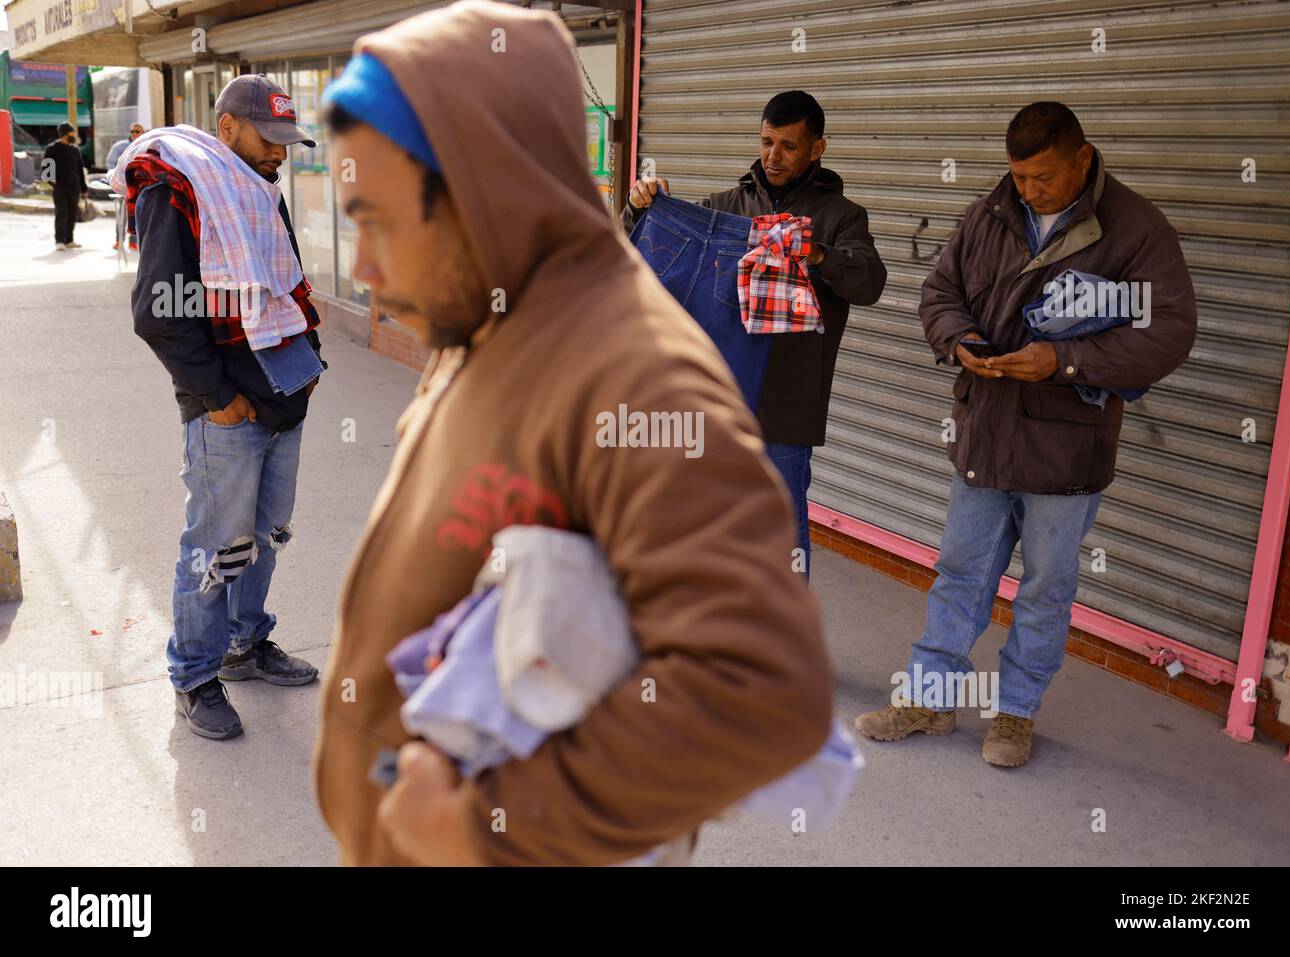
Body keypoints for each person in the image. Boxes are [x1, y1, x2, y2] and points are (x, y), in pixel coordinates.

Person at [312, 0, 832, 866]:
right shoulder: (484, 319)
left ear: (483, 190)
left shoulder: (636, 377)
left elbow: (760, 690)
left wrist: (490, 823)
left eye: (378, 221)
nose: (362, 268)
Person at [855, 102, 1197, 767]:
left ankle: (1015, 715)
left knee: (1044, 590)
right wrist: (961, 343)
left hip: (1066, 451)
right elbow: (939, 291)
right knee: (959, 572)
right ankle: (929, 697)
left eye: (1042, 178)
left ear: (1083, 157)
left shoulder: (1136, 229)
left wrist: (1065, 362)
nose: (1028, 191)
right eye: (1019, 177)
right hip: (985, 434)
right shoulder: (991, 212)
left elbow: (1168, 332)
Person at [122, 74, 326, 740]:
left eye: (288, 142)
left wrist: (309, 360)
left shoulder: (257, 190)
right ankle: (194, 676)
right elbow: (159, 314)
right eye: (270, 139)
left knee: (264, 539)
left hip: (283, 392)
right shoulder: (175, 189)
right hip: (228, 408)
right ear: (228, 127)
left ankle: (245, 643)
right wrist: (220, 397)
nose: (281, 154)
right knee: (217, 546)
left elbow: (286, 282)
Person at [621, 91, 887, 576]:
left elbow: (870, 282)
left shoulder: (842, 217)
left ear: (817, 148)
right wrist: (641, 210)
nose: (773, 156)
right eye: (766, 142)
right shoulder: (725, 207)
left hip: (786, 405)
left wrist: (818, 255)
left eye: (788, 145)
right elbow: (659, 254)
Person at [43, 122, 88, 251]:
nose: (73, 136)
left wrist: (84, 189)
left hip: (74, 188)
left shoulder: (75, 150)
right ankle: (60, 240)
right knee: (61, 213)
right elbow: (46, 169)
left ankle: (69, 240)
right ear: (63, 135)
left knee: (72, 214)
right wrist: (53, 182)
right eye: (71, 134)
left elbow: (80, 170)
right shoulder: (51, 149)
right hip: (60, 188)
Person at [108, 123, 145, 250]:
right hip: (124, 186)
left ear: (142, 132)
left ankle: (133, 241)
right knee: (121, 215)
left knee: (136, 214)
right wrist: (116, 179)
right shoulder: (120, 147)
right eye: (132, 131)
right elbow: (111, 163)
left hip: (139, 187)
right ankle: (119, 240)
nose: (134, 133)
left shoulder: (145, 146)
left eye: (137, 131)